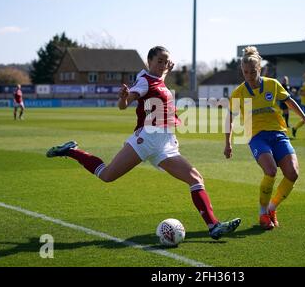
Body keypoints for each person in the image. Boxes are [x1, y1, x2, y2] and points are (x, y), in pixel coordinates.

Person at [46, 46, 241, 240]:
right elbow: (125, 104)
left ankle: (213, 226)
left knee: (196, 179)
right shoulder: (144, 81)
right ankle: (72, 151)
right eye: (159, 61)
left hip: (165, 144)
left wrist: (166, 71)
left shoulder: (158, 80)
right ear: (149, 62)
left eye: (166, 61)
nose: (163, 65)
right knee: (107, 175)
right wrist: (123, 99)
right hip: (146, 140)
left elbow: (158, 82)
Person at [224, 46, 305, 230]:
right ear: (242, 71)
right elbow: (230, 118)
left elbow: (289, 101)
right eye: (245, 72)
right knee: (271, 171)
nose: (249, 76)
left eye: (253, 71)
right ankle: (262, 213)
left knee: (293, 173)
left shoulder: (273, 84)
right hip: (257, 137)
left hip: (278, 134)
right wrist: (227, 143)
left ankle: (272, 208)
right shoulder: (238, 93)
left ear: (260, 69)